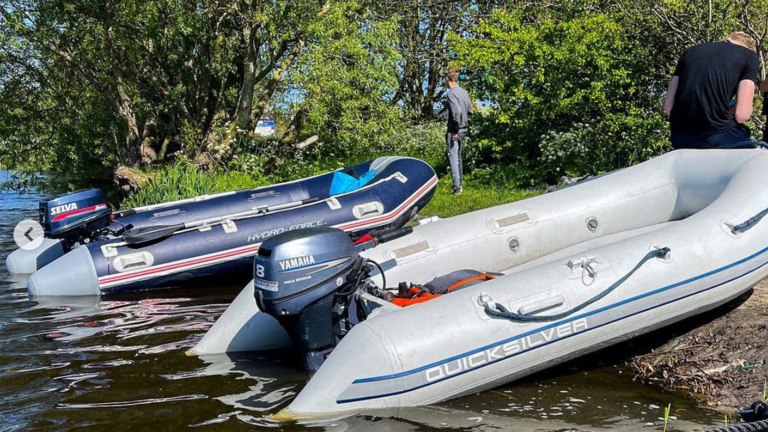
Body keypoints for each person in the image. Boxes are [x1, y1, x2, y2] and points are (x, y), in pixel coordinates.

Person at [664, 32, 759, 149]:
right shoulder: (750, 55)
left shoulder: (689, 52)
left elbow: (669, 107)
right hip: (718, 136)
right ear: (747, 47)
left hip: (680, 136)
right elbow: (742, 115)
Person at [443, 67, 472, 195]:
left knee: (453, 157)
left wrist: (455, 130)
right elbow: (469, 110)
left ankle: (456, 188)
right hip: (464, 128)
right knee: (459, 156)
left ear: (447, 78)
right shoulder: (464, 92)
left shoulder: (451, 94)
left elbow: (457, 112)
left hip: (454, 129)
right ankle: (460, 185)